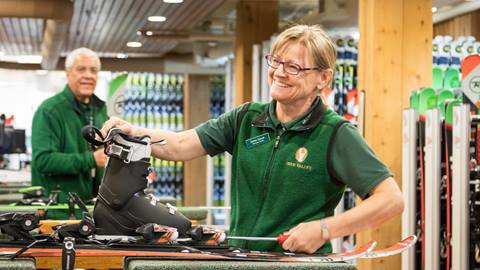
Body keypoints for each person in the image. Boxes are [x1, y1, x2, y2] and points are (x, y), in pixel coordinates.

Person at [100, 25, 404, 254]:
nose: (279, 73)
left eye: (294, 67)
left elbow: (391, 199)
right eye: (276, 62)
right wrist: (135, 133)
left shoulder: (335, 132)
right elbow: (181, 144)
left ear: (323, 78)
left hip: (298, 264)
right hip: (242, 258)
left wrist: (324, 229)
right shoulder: (247, 118)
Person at [31, 47, 108, 216]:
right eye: (81, 69)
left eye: (93, 70)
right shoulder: (49, 111)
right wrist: (91, 159)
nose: (88, 75)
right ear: (68, 73)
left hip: (91, 209)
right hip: (58, 212)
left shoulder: (100, 110)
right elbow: (43, 160)